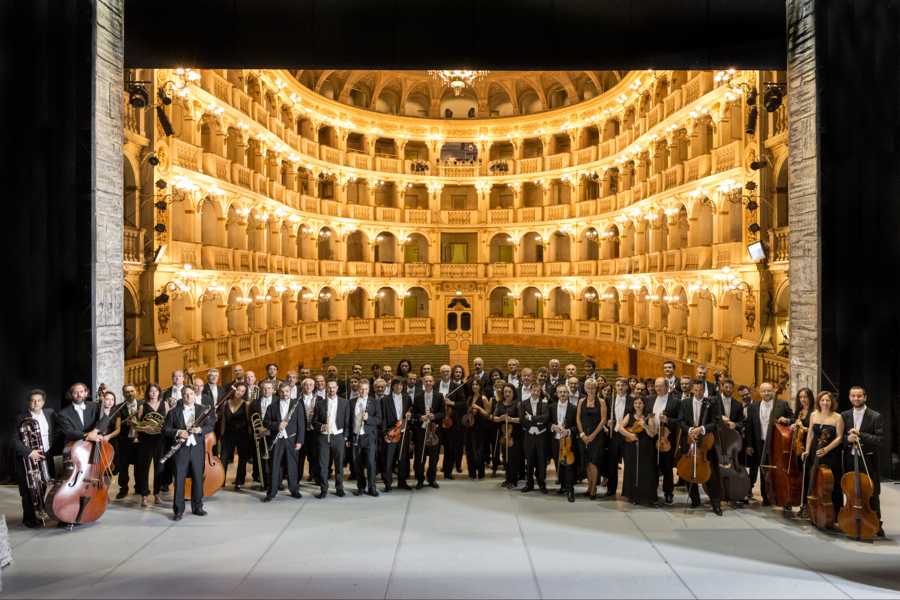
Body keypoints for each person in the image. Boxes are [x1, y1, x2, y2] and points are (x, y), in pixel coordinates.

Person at [161, 386, 213, 520]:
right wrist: (178, 432)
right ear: (182, 396)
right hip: (181, 450)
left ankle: (197, 507)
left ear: (195, 395)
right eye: (185, 394)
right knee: (179, 479)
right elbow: (165, 429)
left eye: (191, 394)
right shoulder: (173, 412)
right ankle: (178, 510)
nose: (188, 396)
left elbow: (211, 426)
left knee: (197, 478)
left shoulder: (203, 410)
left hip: (197, 449)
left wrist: (200, 430)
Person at [841, 386, 884, 536]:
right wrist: (848, 439)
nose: (856, 399)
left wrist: (861, 435)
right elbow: (841, 438)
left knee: (871, 492)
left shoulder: (875, 416)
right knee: (851, 491)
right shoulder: (844, 415)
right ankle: (851, 519)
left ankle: (876, 523)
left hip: (867, 459)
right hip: (850, 458)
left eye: (859, 396)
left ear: (865, 397)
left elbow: (879, 440)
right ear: (849, 397)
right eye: (853, 396)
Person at [13, 390, 59, 528]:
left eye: (38, 400)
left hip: (45, 455)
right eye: (33, 400)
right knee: (28, 488)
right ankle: (29, 518)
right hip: (27, 458)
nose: (36, 403)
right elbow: (13, 441)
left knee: (43, 484)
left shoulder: (50, 413)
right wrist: (29, 452)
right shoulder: (19, 418)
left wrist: (49, 446)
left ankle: (39, 513)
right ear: (28, 402)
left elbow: (55, 430)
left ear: (43, 402)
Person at [676, 380, 722, 515]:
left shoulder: (710, 403)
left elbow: (714, 422)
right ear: (692, 390)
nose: (698, 393)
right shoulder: (685, 403)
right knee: (688, 473)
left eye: (701, 390)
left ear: (704, 390)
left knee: (711, 475)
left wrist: (701, 429)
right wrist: (691, 430)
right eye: (696, 390)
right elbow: (680, 421)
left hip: (705, 441)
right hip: (689, 441)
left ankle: (716, 504)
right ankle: (695, 500)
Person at [745, 382, 794, 506]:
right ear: (759, 393)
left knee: (778, 470)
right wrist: (749, 445)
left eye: (769, 391)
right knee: (763, 470)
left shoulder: (782, 404)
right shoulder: (753, 407)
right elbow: (749, 427)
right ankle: (766, 497)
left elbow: (793, 418)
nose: (766, 393)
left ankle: (781, 495)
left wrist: (787, 420)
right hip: (760, 443)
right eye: (764, 391)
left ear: (773, 391)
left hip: (778, 443)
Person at [802, 391, 845, 520]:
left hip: (831, 453)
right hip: (815, 451)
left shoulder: (838, 417)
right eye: (822, 400)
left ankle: (833, 512)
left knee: (830, 483)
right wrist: (807, 450)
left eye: (827, 400)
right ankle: (811, 508)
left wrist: (826, 449)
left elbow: (839, 437)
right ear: (818, 402)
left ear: (832, 402)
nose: (825, 403)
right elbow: (810, 434)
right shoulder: (813, 415)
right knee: (813, 480)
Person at [262, 382, 305, 502]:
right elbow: (266, 422)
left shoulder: (297, 405)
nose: (284, 394)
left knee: (292, 466)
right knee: (274, 467)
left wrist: (299, 441)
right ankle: (271, 492)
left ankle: (294, 490)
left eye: (286, 391)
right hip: (277, 440)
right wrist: (277, 425)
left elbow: (301, 424)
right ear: (278, 392)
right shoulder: (272, 406)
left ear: (290, 392)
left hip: (291, 439)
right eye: (282, 391)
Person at [133, 383, 169, 506]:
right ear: (148, 393)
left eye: (156, 391)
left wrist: (164, 429)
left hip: (160, 440)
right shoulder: (142, 406)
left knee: (159, 467)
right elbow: (136, 425)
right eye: (151, 391)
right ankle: (144, 495)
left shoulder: (165, 404)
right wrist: (144, 429)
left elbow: (169, 421)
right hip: (146, 441)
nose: (153, 393)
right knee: (144, 468)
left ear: (159, 392)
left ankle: (157, 493)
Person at [619, 396, 659, 507]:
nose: (638, 405)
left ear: (644, 405)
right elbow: (620, 428)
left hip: (645, 448)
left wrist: (645, 426)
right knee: (632, 471)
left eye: (640, 403)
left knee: (646, 472)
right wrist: (630, 435)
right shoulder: (629, 415)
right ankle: (634, 496)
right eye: (636, 403)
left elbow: (652, 434)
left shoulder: (649, 417)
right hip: (631, 447)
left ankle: (650, 498)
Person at [313, 380, 350, 499]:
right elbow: (314, 422)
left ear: (337, 388)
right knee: (323, 465)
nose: (331, 389)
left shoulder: (345, 403)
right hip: (324, 437)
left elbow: (347, 422)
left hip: (338, 437)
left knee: (339, 465)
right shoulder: (320, 404)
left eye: (333, 387)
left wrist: (344, 437)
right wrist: (321, 426)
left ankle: (339, 488)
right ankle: (324, 489)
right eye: (329, 387)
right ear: (326, 388)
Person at [648, 377, 680, 505]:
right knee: (652, 466)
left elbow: (680, 421)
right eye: (656, 386)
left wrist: (668, 421)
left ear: (667, 387)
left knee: (667, 467)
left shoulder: (676, 402)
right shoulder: (649, 400)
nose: (658, 388)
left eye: (661, 386)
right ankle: (652, 491)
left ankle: (668, 493)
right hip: (652, 437)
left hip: (666, 438)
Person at [412, 374, 445, 489]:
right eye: (427, 381)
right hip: (421, 431)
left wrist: (434, 416)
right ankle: (420, 480)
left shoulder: (439, 396)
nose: (429, 383)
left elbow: (443, 413)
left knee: (434, 456)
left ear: (433, 382)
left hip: (434, 431)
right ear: (423, 382)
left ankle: (432, 479)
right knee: (420, 456)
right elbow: (414, 413)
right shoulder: (417, 396)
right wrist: (421, 417)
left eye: (431, 381)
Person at [351, 380, 383, 497]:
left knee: (370, 463)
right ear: (358, 389)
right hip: (356, 436)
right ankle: (360, 486)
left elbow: (379, 419)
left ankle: (372, 488)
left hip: (369, 437)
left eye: (365, 389)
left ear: (369, 389)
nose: (363, 391)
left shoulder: (375, 402)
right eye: (361, 389)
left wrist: (368, 419)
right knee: (357, 464)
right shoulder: (352, 402)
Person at [604, 378, 635, 498]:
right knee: (612, 464)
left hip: (627, 434)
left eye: (622, 385)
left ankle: (629, 490)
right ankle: (611, 489)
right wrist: (607, 422)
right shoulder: (608, 399)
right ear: (615, 387)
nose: (620, 387)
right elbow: (604, 415)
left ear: (627, 386)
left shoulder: (632, 400)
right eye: (618, 385)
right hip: (614, 435)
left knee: (629, 463)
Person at [576, 379, 607, 500]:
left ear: (596, 389)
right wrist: (582, 434)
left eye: (592, 388)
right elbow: (578, 419)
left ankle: (594, 488)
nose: (590, 390)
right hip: (584, 437)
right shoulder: (581, 401)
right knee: (587, 462)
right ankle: (589, 487)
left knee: (594, 462)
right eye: (588, 387)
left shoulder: (602, 402)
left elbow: (603, 420)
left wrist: (593, 435)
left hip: (597, 437)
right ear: (585, 389)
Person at [381, 377, 412, 492]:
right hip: (391, 432)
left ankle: (402, 482)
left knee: (403, 458)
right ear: (392, 386)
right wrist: (385, 433)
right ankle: (388, 483)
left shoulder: (407, 398)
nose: (399, 387)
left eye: (401, 385)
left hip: (403, 432)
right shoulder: (385, 400)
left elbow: (410, 412)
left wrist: (410, 415)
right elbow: (383, 419)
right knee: (389, 459)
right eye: (396, 385)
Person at [218, 382, 250, 491]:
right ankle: (220, 481)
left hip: (242, 435)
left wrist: (249, 436)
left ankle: (239, 482)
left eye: (242, 391)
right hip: (228, 434)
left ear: (244, 393)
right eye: (238, 390)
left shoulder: (246, 404)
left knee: (242, 459)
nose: (239, 392)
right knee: (223, 458)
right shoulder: (226, 403)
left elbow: (248, 422)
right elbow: (223, 421)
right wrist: (222, 435)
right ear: (234, 390)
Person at [518, 381, 548, 493]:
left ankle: (542, 484)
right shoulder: (523, 403)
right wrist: (537, 421)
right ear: (530, 390)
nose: (536, 393)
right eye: (534, 390)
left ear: (540, 392)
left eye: (538, 391)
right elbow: (522, 420)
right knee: (529, 461)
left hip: (541, 437)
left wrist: (531, 418)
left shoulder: (544, 402)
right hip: (529, 436)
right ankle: (529, 484)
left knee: (542, 461)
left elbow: (545, 418)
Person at [549, 385, 578, 502]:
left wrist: (569, 431)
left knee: (569, 466)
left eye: (565, 392)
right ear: (557, 394)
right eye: (560, 392)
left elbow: (577, 425)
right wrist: (553, 426)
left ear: (568, 394)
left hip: (568, 442)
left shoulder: (574, 408)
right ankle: (562, 486)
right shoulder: (551, 407)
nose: (562, 394)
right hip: (556, 440)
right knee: (558, 463)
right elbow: (547, 421)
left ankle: (570, 490)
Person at [114, 384, 143, 500]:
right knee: (123, 468)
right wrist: (126, 423)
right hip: (125, 441)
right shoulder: (118, 408)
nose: (130, 394)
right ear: (123, 394)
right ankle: (123, 489)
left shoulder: (142, 405)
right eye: (127, 392)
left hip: (140, 440)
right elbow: (114, 425)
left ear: (135, 391)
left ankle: (139, 487)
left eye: (132, 391)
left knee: (139, 467)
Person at [789, 387, 814, 517]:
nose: (803, 400)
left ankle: (807, 506)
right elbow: (796, 428)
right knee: (801, 477)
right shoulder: (799, 412)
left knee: (807, 478)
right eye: (800, 397)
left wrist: (803, 427)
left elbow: (814, 431)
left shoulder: (814, 413)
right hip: (798, 447)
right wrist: (793, 426)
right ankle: (801, 504)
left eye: (805, 397)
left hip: (809, 448)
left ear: (810, 398)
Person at [249, 381, 276, 489]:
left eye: (269, 388)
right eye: (264, 388)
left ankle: (276, 483)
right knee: (263, 460)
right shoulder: (254, 403)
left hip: (274, 434)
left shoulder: (277, 400)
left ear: (273, 390)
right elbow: (250, 419)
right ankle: (265, 483)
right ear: (261, 390)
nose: (267, 390)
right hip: (261, 435)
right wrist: (258, 429)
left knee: (276, 460)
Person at [462, 377, 491, 480]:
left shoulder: (483, 398)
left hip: (479, 426)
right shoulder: (470, 398)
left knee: (478, 451)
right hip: (470, 426)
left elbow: (487, 413)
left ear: (480, 386)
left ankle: (481, 474)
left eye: (476, 384)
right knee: (469, 450)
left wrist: (478, 408)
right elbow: (467, 411)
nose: (474, 386)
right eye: (473, 385)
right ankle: (472, 474)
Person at [493, 384, 521, 489]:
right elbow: (493, 417)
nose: (507, 394)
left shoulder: (518, 404)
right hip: (504, 435)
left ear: (513, 393)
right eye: (505, 392)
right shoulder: (500, 403)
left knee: (513, 459)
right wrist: (500, 418)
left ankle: (513, 480)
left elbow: (522, 419)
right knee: (506, 458)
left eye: (509, 391)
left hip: (515, 435)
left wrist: (511, 419)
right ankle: (507, 478)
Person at [297, 378, 321, 485]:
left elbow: (322, 415)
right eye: (306, 385)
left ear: (314, 386)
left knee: (315, 456)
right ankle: (297, 478)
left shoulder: (319, 399)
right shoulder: (297, 399)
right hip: (302, 432)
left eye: (310, 385)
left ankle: (315, 476)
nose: (308, 387)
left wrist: (314, 416)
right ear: (302, 386)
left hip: (314, 432)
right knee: (300, 457)